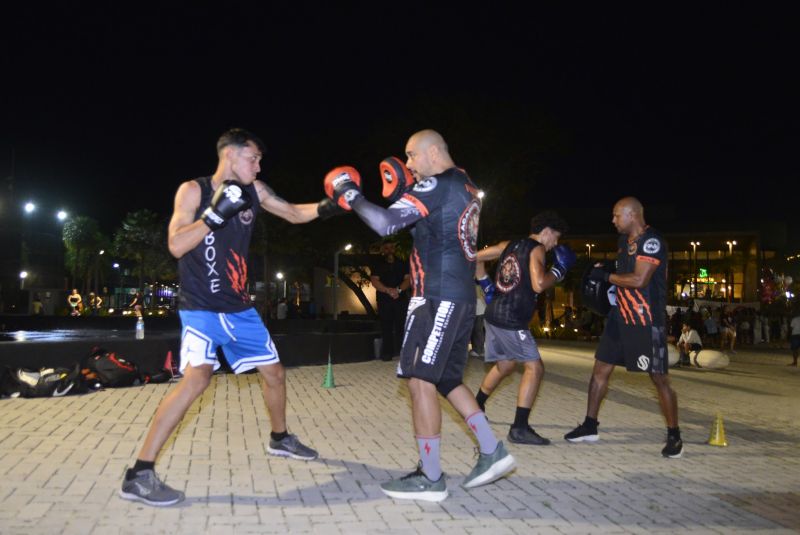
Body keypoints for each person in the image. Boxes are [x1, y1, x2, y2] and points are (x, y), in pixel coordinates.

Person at [119, 128, 343, 506]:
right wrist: (214, 215)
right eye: (253, 158)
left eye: (259, 161)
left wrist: (329, 206)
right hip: (200, 309)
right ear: (231, 156)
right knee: (195, 381)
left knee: (274, 372)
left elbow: (291, 212)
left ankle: (279, 438)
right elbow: (176, 245)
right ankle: (139, 474)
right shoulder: (193, 190)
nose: (258, 166)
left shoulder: (256, 191)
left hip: (240, 308)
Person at [324, 129, 515, 501]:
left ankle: (430, 477)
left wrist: (352, 195)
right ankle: (492, 451)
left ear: (432, 152)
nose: (408, 164)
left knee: (418, 380)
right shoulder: (465, 183)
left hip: (436, 297)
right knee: (445, 379)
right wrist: (402, 197)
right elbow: (432, 228)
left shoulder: (439, 184)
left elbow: (384, 224)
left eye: (412, 156)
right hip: (457, 296)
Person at [565, 197, 683, 458]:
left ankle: (674, 434)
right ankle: (590, 425)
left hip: (645, 319)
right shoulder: (623, 243)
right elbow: (621, 273)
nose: (613, 220)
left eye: (617, 215)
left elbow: (640, 280)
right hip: (620, 317)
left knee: (659, 379)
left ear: (632, 215)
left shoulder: (651, 242)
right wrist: (602, 269)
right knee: (599, 370)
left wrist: (605, 276)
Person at [473, 211, 576, 446]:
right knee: (535, 368)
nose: (555, 244)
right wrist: (559, 270)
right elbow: (539, 284)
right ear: (546, 231)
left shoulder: (509, 244)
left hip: (494, 315)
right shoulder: (537, 248)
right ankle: (519, 428)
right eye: (555, 238)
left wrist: (487, 286)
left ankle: (476, 405)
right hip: (511, 319)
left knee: (506, 365)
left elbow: (475, 257)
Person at [370, 241, 410, 361]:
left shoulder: (403, 262)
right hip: (384, 300)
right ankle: (387, 353)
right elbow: (374, 280)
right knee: (386, 326)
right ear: (383, 249)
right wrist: (387, 290)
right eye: (386, 248)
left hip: (400, 299)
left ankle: (402, 353)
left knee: (401, 326)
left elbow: (408, 279)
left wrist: (398, 290)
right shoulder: (377, 264)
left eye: (392, 247)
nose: (389, 250)